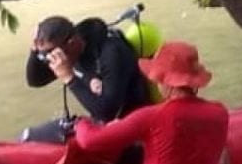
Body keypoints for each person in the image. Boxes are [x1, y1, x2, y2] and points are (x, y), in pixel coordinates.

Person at [69, 41, 230, 164]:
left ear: (164, 81)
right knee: (223, 157)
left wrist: (80, 123)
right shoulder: (220, 113)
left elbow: (90, 141)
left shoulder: (151, 116)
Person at [19, 14, 151, 141]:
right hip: (100, 122)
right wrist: (34, 50)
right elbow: (35, 80)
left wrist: (69, 78)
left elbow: (107, 112)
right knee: (28, 136)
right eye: (44, 55)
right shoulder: (68, 51)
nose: (50, 59)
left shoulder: (111, 53)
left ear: (71, 44)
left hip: (130, 125)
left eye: (52, 53)